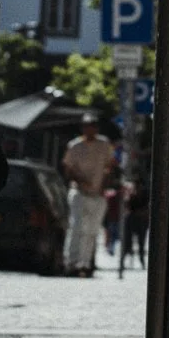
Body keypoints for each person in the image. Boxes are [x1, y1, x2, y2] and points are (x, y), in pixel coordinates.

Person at [61, 113, 114, 275]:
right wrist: (80, 181)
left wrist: (105, 184)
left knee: (92, 230)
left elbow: (109, 166)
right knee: (76, 227)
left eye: (93, 125)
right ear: (83, 128)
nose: (90, 129)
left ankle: (85, 263)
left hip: (98, 194)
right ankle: (71, 262)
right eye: (87, 126)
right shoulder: (75, 146)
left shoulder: (104, 144)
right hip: (79, 192)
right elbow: (67, 168)